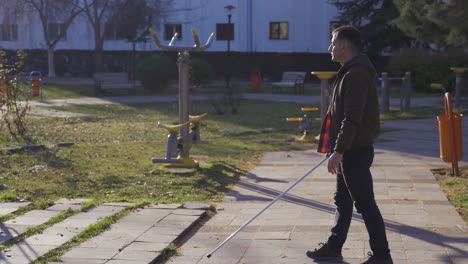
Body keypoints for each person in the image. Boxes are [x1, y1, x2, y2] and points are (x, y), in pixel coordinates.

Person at [307, 25, 393, 264]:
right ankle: (334, 247)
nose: (330, 48)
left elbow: (352, 118)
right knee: (342, 201)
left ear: (344, 46)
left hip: (355, 151)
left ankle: (382, 256)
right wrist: (336, 148)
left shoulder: (356, 74)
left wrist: (339, 150)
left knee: (365, 204)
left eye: (333, 43)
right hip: (349, 150)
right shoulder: (351, 70)